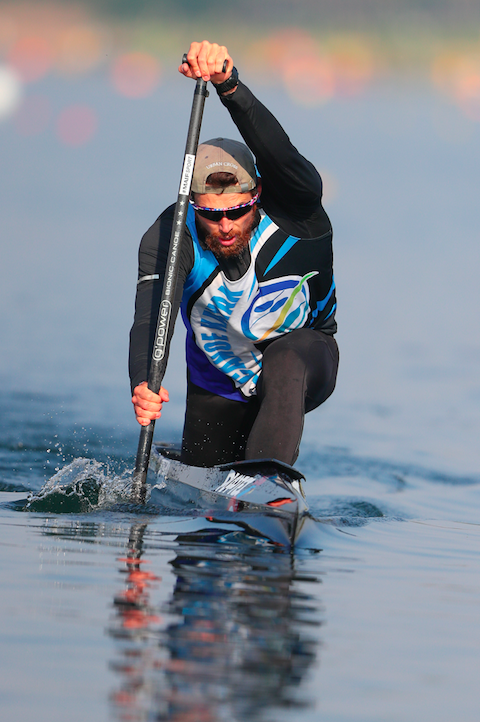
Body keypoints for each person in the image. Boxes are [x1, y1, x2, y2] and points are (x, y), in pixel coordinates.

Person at [129, 40, 338, 468]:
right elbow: (154, 316)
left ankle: (268, 484)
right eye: (210, 214)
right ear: (192, 205)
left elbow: (280, 154)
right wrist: (142, 383)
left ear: (256, 195)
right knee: (204, 501)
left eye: (238, 211)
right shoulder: (169, 236)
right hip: (217, 378)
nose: (225, 226)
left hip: (304, 361)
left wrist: (228, 84)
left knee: (286, 357)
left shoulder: (298, 209)